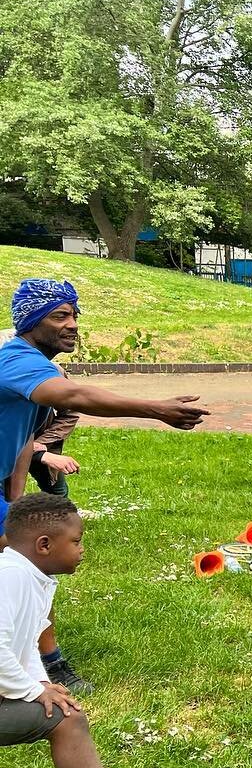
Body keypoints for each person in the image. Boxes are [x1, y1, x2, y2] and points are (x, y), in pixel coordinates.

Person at [1, 279, 208, 694]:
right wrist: (155, 409)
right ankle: (44, 666)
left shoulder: (33, 366)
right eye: (60, 316)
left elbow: (24, 440)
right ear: (30, 321)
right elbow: (75, 395)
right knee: (27, 565)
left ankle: (38, 659)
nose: (72, 324)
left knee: (27, 565)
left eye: (75, 315)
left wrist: (15, 499)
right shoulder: (14, 360)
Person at [0, 494, 182, 768]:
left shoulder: (33, 578)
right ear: (44, 544)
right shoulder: (10, 577)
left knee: (64, 711)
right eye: (76, 541)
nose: (82, 550)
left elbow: (24, 646)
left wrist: (41, 683)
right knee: (67, 719)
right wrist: (29, 691)